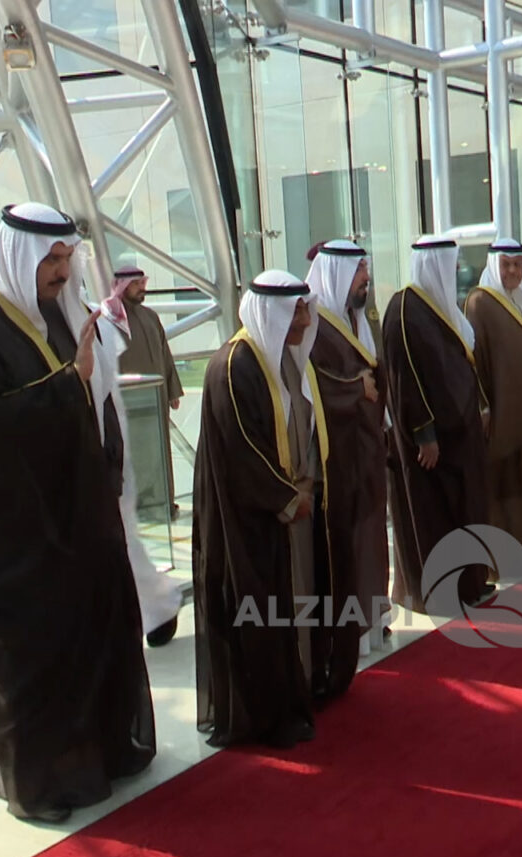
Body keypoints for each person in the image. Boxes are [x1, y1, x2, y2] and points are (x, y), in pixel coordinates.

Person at [0, 203, 155, 822]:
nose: (61, 271)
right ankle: (37, 788)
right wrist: (68, 385)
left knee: (87, 644)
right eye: (50, 259)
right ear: (19, 256)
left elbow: (94, 398)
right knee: (35, 663)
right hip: (16, 537)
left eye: (66, 258)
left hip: (76, 518)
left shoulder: (56, 315)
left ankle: (99, 757)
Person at [193, 271, 325, 747]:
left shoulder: (270, 361)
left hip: (267, 514)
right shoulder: (234, 366)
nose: (304, 321)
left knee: (274, 613)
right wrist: (288, 497)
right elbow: (244, 450)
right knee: (252, 615)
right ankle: (259, 721)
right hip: (240, 520)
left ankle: (283, 707)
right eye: (296, 312)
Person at [383, 236, 491, 612]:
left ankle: (470, 583)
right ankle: (440, 592)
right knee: (435, 517)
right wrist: (423, 433)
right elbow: (405, 380)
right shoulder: (404, 309)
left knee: (467, 509)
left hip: (460, 436)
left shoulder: (440, 307)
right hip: (433, 447)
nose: (455, 270)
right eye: (449, 263)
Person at [305, 240, 390, 671]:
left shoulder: (360, 316)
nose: (365, 279)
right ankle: (350, 633)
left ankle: (373, 622)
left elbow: (375, 367)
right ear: (336, 273)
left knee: (371, 534)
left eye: (365, 269)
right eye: (358, 271)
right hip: (335, 453)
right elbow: (314, 382)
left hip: (367, 444)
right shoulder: (313, 323)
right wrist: (358, 388)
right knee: (348, 539)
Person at [100, 259, 182, 647]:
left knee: (159, 459)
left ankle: (162, 503)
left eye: (142, 282)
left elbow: (165, 354)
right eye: (135, 283)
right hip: (129, 411)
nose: (141, 288)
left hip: (154, 402)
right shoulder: (111, 318)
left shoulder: (149, 317)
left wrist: (173, 389)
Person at [466, 239, 522, 570]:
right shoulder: (480, 303)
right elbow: (474, 362)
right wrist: (484, 407)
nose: (513, 271)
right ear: (494, 265)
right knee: (507, 485)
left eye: (518, 265)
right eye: (506, 264)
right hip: (505, 415)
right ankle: (506, 558)